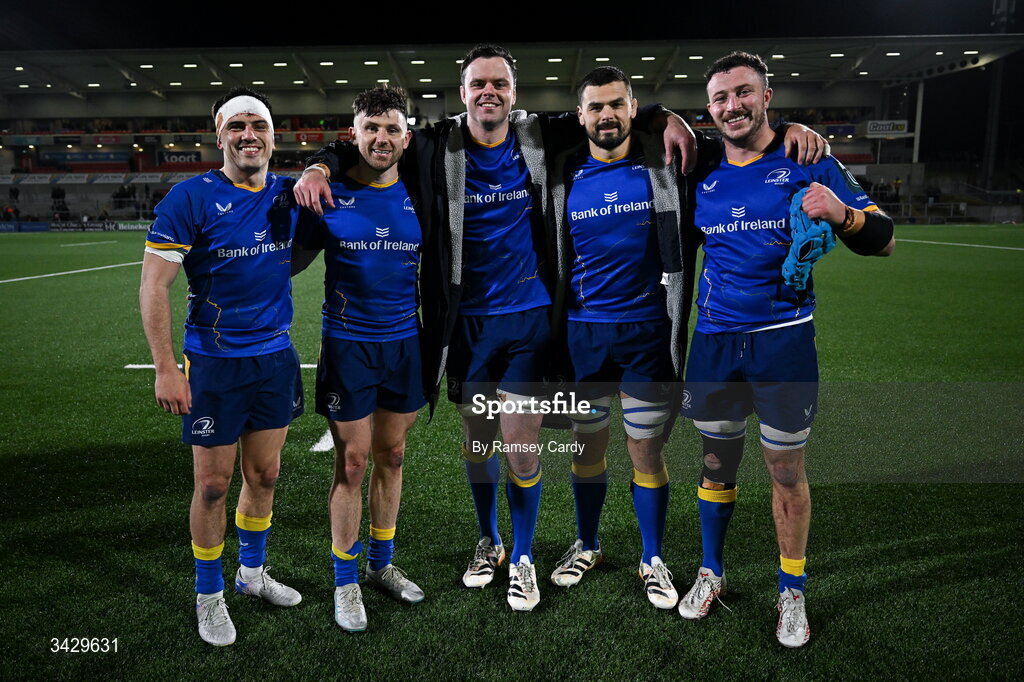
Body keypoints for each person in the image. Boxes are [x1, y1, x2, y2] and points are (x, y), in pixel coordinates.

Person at [295, 44, 701, 613]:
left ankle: (526, 558)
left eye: (500, 85)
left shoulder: (540, 136)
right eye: (478, 84)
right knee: (478, 441)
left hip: (528, 320)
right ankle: (490, 541)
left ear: (515, 94)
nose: (490, 93)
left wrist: (668, 116)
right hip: (464, 325)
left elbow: (611, 114)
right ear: (462, 95)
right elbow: (364, 145)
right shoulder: (433, 144)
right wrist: (319, 164)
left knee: (522, 448)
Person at [676, 52, 894, 648]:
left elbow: (884, 240)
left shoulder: (808, 157)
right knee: (716, 462)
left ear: (767, 97)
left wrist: (842, 213)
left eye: (743, 93)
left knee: (785, 468)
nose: (732, 107)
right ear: (710, 109)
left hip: (784, 343)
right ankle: (710, 572)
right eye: (720, 98)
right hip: (716, 342)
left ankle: (790, 589)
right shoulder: (701, 168)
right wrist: (661, 115)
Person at [139, 87, 306, 647]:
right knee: (212, 486)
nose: (248, 134)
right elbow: (154, 284)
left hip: (275, 356)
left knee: (265, 476)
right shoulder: (189, 197)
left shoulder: (290, 194)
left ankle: (251, 574)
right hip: (213, 363)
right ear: (220, 138)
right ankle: (208, 594)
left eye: (258, 124)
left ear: (273, 135)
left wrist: (320, 167)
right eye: (236, 126)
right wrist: (166, 367)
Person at [547, 66, 690, 609]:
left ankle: (652, 556)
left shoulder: (665, 165)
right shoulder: (563, 171)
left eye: (616, 104)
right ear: (579, 115)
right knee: (588, 446)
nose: (606, 115)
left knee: (644, 450)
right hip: (583, 333)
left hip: (647, 332)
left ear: (633, 108)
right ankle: (588, 543)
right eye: (594, 107)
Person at [292, 86, 427, 632]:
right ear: (355, 134)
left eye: (392, 128)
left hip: (405, 344)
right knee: (351, 462)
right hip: (348, 345)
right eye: (371, 128)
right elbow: (287, 264)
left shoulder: (424, 190)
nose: (382, 138)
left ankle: (381, 565)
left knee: (392, 456)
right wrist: (317, 167)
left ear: (406, 137)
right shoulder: (331, 194)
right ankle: (345, 580)